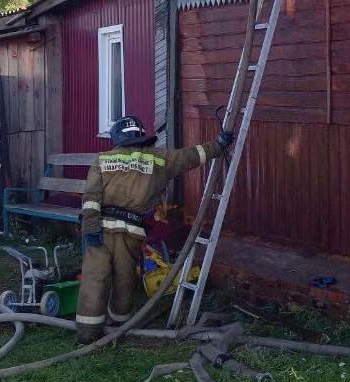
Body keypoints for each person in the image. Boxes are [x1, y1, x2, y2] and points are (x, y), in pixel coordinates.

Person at [74, 114, 233, 344]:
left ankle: (87, 336)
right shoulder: (158, 159)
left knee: (94, 279)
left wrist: (90, 226)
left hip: (100, 229)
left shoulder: (103, 159)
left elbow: (90, 197)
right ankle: (119, 327)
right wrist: (217, 145)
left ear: (117, 137)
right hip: (131, 232)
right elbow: (189, 156)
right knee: (125, 278)